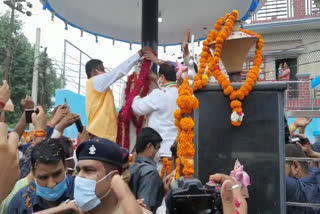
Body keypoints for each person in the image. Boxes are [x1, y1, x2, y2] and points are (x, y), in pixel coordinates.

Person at [85, 47, 152, 141]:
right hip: (100, 134)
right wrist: (138, 54)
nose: (105, 72)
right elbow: (118, 72)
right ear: (94, 71)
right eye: (102, 69)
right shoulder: (96, 81)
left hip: (104, 134)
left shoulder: (95, 86)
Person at [74, 137, 142, 213]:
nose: (79, 176)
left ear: (112, 177)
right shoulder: (71, 210)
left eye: (89, 170)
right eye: (78, 170)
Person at [7, 138, 74, 213]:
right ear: (33, 172)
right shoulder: (20, 201)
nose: (51, 185)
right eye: (43, 178)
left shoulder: (79, 192)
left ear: (65, 166)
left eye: (57, 174)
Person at [132, 63, 178, 168]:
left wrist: (136, 94)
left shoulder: (158, 94)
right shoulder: (183, 93)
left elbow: (137, 108)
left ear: (162, 77)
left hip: (161, 152)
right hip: (178, 152)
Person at [129, 127, 172, 213]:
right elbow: (145, 209)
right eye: (157, 148)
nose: (159, 152)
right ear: (149, 146)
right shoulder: (150, 173)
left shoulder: (132, 167)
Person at [285, 144, 320, 214]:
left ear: (295, 166)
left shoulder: (297, 190)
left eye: (279, 168)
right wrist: (312, 153)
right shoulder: (315, 172)